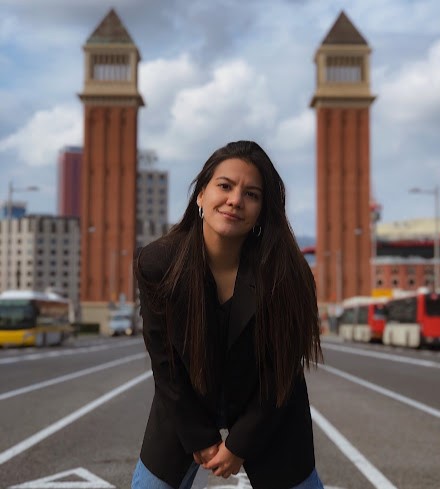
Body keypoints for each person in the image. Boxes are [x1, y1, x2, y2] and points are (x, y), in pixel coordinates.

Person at [131, 140, 324, 489]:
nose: (236, 200)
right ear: (201, 195)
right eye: (225, 186)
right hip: (186, 404)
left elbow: (281, 374)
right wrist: (201, 439)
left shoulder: (288, 275)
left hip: (268, 408)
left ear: (263, 210)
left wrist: (239, 445)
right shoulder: (159, 264)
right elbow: (166, 366)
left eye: (251, 194)